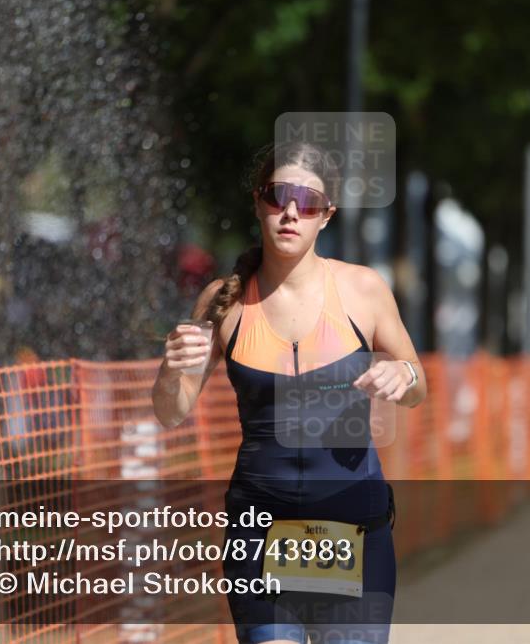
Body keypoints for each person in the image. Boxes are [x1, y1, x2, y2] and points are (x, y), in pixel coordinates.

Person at [152, 141, 427, 644]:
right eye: (279, 196)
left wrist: (403, 376)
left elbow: (417, 383)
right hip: (259, 534)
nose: (292, 212)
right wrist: (171, 370)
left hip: (353, 532)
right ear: (259, 202)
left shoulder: (363, 290)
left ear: (327, 215)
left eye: (309, 202)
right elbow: (171, 412)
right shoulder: (223, 301)